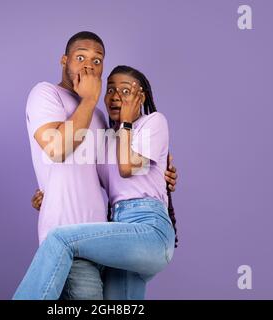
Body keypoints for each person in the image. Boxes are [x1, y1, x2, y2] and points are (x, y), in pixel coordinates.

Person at [14, 65, 177, 300]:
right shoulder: (107, 140)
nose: (115, 96)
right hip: (118, 233)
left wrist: (128, 124)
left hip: (149, 229)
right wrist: (50, 195)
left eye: (125, 91)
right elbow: (83, 177)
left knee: (60, 238)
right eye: (110, 90)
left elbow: (127, 167)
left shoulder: (153, 122)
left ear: (140, 97)